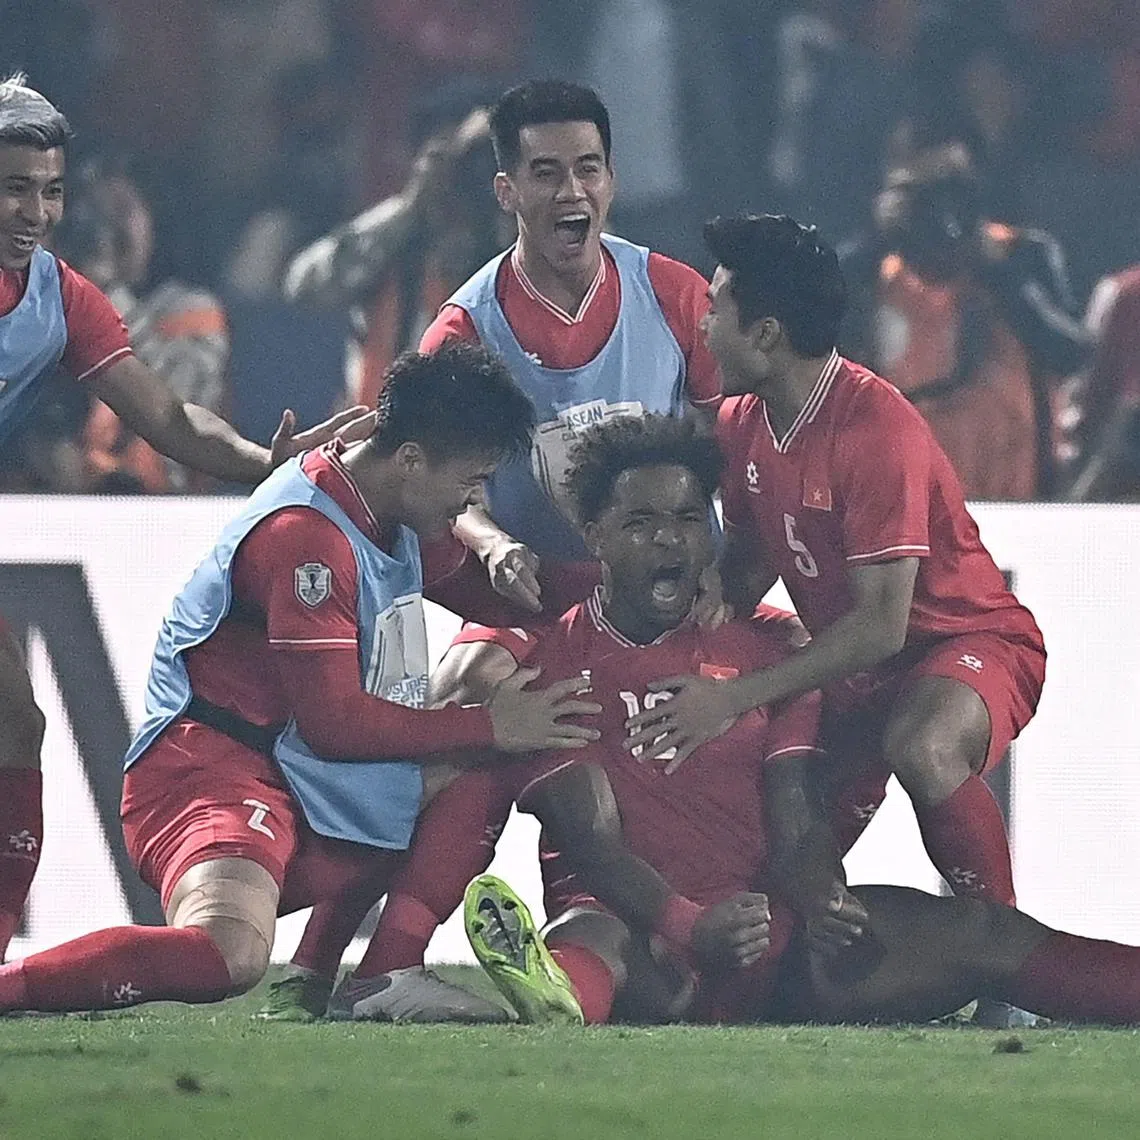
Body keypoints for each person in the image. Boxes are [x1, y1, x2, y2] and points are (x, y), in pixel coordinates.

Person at [260, 77, 723, 1018]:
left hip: (668, 608)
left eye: (588, 169)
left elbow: (735, 449)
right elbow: (430, 478)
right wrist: (489, 533)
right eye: (545, 173)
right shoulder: (468, 326)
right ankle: (341, 966)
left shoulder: (672, 294)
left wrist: (725, 577)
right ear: (506, 190)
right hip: (538, 599)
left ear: (613, 179)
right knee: (459, 710)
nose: (572, 193)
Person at [452, 415, 1140, 1030]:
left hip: (770, 943)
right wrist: (691, 926)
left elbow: (796, 807)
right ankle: (560, 995)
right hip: (649, 940)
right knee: (589, 930)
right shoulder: (553, 667)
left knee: (983, 931)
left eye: (690, 519)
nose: (669, 539)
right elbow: (592, 843)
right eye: (640, 523)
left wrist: (819, 894)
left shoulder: (773, 648)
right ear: (594, 534)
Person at [0, 341, 605, 1015]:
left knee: (474, 771)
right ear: (410, 459)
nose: (476, 500)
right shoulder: (307, 538)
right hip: (211, 773)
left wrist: (644, 584)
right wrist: (492, 723)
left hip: (295, 772)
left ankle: (357, 978)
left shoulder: (388, 507)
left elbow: (506, 596)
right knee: (229, 956)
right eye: (470, 480)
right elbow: (337, 725)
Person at [622, 217, 1052, 1031]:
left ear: (768, 332)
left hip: (965, 642)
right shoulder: (745, 422)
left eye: (716, 306)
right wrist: (706, 616)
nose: (703, 323)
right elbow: (751, 559)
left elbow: (883, 629)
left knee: (922, 746)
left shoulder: (875, 429)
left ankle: (1007, 967)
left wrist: (733, 693)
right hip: (856, 672)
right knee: (788, 886)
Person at [0, 73, 370, 963]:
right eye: (15, 188)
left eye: (51, 191)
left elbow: (166, 419)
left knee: (17, 724)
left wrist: (265, 463)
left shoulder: (59, 297)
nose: (38, 212)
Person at [838, 123, 1088, 500]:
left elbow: (1068, 353)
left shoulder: (1020, 256)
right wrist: (882, 241)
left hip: (1019, 496)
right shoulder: (872, 275)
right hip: (910, 499)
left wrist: (999, 274)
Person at [283, 89, 507, 412]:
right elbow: (304, 288)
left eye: (482, 158)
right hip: (377, 438)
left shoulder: (516, 237)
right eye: (452, 159)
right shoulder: (394, 239)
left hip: (480, 440)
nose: (467, 172)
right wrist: (410, 207)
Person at [52, 162, 231, 492]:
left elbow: (171, 410)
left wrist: (104, 292)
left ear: (154, 219)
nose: (108, 231)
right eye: (96, 216)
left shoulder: (193, 310)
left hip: (159, 501)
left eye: (122, 211)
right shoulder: (53, 305)